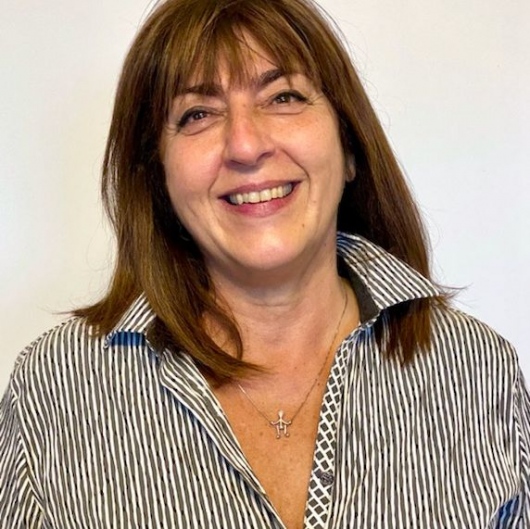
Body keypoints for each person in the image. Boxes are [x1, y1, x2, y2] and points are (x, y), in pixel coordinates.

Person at [0, 0, 528, 527]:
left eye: (283, 97)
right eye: (198, 114)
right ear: (158, 175)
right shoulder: (55, 390)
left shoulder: (478, 372)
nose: (245, 145)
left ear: (349, 146)